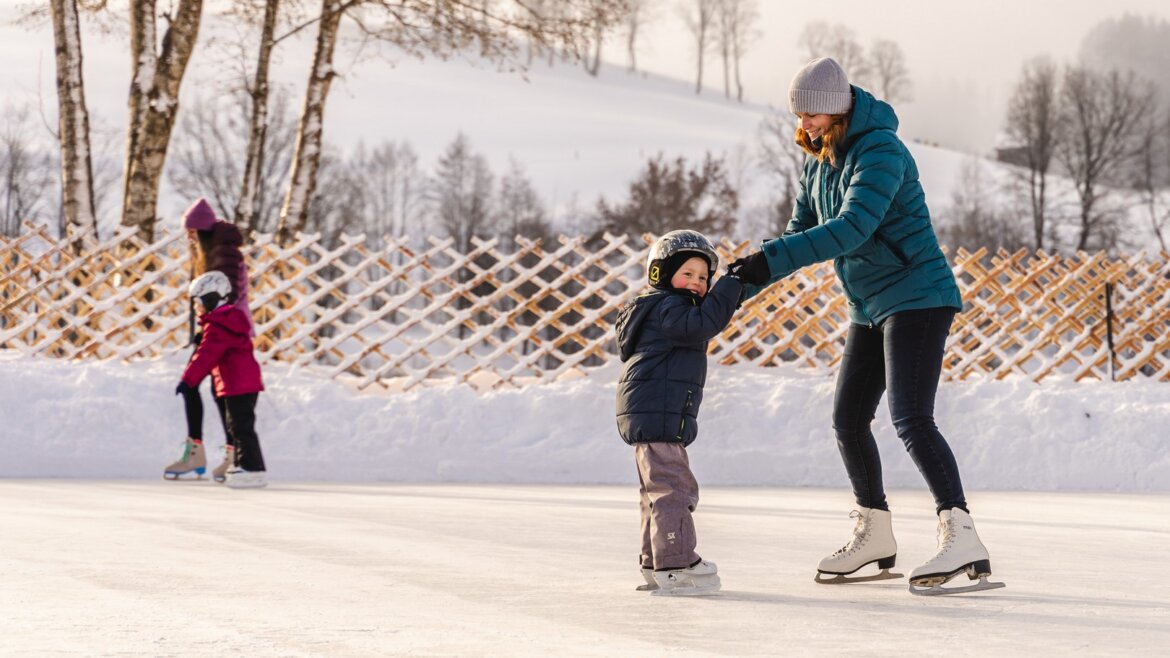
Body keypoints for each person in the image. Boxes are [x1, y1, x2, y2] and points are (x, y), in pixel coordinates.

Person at [728, 57, 1002, 595]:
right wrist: (742, 280)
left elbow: (852, 229)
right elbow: (799, 232)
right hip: (868, 303)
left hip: (917, 295)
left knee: (910, 418)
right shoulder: (817, 162)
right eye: (798, 112)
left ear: (837, 106)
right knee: (848, 418)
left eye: (811, 112)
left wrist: (768, 260)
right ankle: (874, 530)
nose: (803, 122)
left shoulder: (881, 151)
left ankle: (961, 533)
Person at [615, 230, 743, 596]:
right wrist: (731, 288)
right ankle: (678, 563)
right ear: (662, 274)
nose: (697, 284)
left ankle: (654, 561)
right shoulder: (671, 308)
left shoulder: (659, 307)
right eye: (687, 274)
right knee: (674, 488)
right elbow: (704, 323)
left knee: (655, 492)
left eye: (704, 278)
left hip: (651, 412)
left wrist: (730, 289)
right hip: (658, 413)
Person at [163, 198, 254, 482]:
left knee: (195, 384)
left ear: (201, 231)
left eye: (191, 232)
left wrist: (210, 326)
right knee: (217, 391)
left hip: (225, 330)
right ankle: (225, 452)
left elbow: (226, 292)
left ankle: (207, 451)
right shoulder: (217, 250)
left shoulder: (222, 251)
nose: (189, 238)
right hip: (222, 327)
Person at [174, 271, 268, 489]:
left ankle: (252, 468)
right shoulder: (227, 320)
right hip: (241, 383)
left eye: (198, 302)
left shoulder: (219, 326)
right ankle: (247, 465)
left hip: (238, 384)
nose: (196, 307)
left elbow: (205, 356)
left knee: (241, 427)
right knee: (240, 426)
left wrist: (188, 381)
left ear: (211, 298)